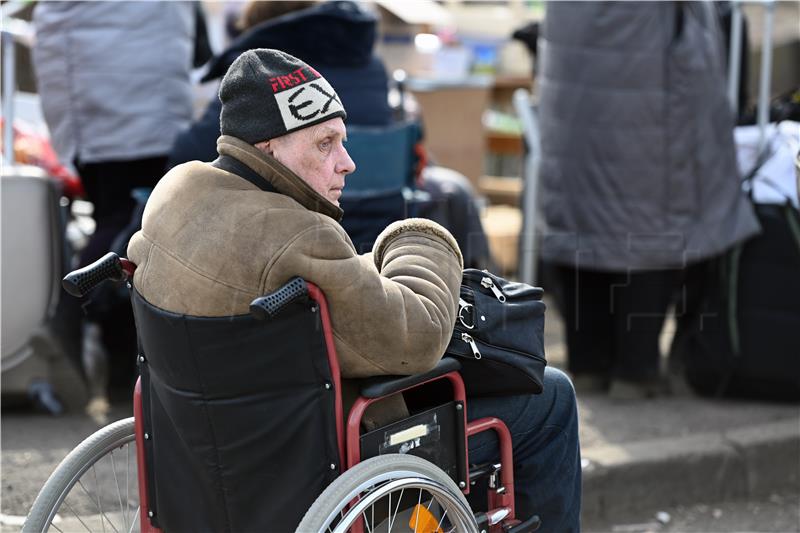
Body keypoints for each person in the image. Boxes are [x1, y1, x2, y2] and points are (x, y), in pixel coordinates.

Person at [128, 49, 581, 531]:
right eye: (325, 144)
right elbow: (415, 339)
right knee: (551, 396)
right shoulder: (299, 234)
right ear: (268, 148)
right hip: (325, 466)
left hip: (202, 459)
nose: (347, 163)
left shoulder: (174, 195)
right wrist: (418, 239)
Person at [535, 1, 760, 399]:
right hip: (648, 76)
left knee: (582, 220)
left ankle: (588, 364)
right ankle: (635, 370)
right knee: (647, 221)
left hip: (574, 75)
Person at [168, 0, 492, 268]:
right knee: (455, 187)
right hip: (385, 218)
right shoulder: (369, 61)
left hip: (298, 230)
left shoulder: (262, 74)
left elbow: (188, 152)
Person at [32, 1, 201, 410]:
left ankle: (75, 325)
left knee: (119, 223)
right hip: (156, 100)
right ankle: (127, 361)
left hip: (93, 101)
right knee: (146, 232)